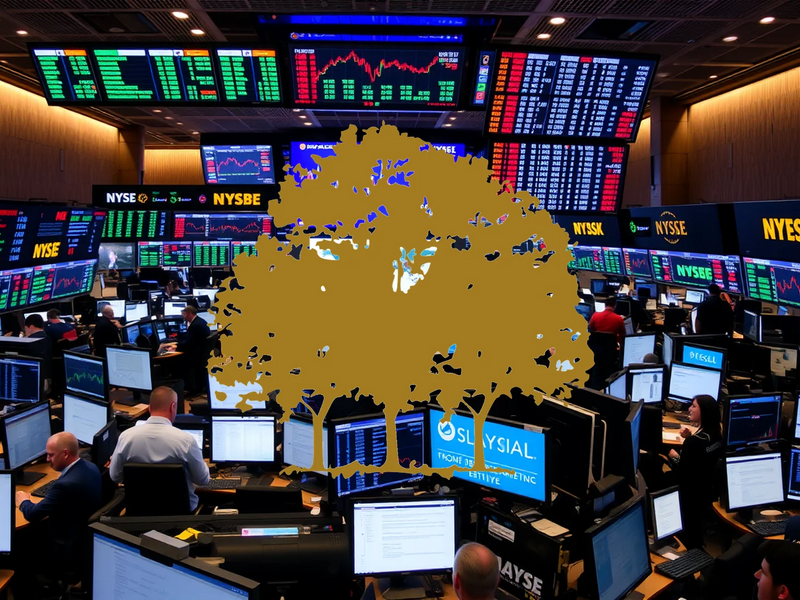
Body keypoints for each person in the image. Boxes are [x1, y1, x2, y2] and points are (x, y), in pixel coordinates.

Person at [110, 386, 209, 511]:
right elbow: (202, 480)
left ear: (149, 408)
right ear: (173, 407)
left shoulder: (126, 437)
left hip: (139, 513)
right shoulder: (186, 441)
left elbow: (115, 477)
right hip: (180, 514)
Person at [15, 432, 102, 559]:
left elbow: (33, 514)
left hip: (65, 545)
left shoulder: (64, 485)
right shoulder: (91, 467)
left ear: (65, 454)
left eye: (51, 455)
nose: (47, 459)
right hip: (82, 536)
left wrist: (23, 501)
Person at [667, 394, 723, 549]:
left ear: (703, 411)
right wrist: (690, 437)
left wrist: (673, 455)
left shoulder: (693, 443)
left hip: (689, 493)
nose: (689, 409)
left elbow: (682, 472)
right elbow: (702, 456)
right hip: (706, 489)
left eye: (694, 406)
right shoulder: (716, 434)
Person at [161, 305, 211, 394]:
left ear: (189, 313)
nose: (183, 317)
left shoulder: (195, 325)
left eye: (184, 315)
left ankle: (186, 387)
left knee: (176, 360)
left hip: (196, 355)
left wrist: (175, 347)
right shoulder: (199, 321)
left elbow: (189, 344)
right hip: (201, 352)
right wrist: (177, 343)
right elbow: (191, 339)